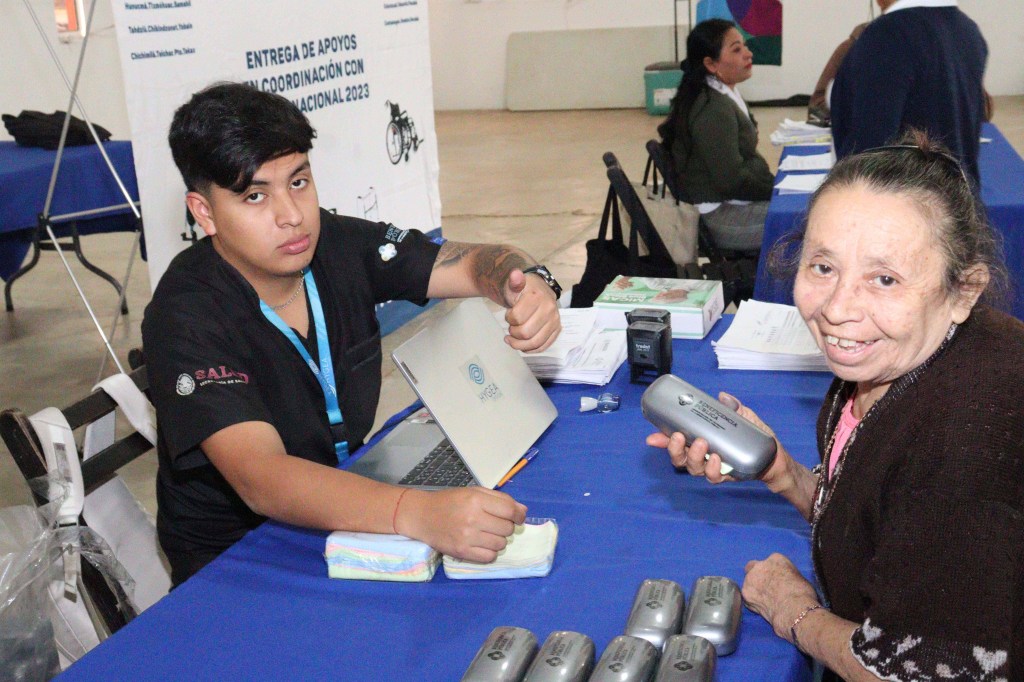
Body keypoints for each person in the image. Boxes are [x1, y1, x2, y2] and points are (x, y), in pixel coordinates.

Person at [143, 82, 563, 586]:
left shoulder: (334, 243)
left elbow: (472, 264)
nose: (292, 216)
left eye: (299, 182)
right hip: (244, 558)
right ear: (204, 212)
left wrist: (525, 281)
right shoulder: (185, 313)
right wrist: (418, 512)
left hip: (353, 502)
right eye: (255, 196)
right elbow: (262, 478)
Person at [648, 132, 1023, 680]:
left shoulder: (964, 450)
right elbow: (880, 515)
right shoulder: (899, 358)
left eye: (884, 279)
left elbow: (916, 672)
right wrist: (782, 472)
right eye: (823, 267)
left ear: (963, 291)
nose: (837, 308)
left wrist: (795, 613)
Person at [830, 0, 987, 186]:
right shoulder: (968, 29)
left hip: (903, 195)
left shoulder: (888, 35)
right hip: (953, 193)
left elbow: (869, 149)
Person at [657, 18, 773, 253]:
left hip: (731, 204)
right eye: (737, 50)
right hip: (718, 218)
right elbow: (732, 180)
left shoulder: (722, 92)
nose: (748, 54)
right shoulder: (712, 108)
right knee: (810, 222)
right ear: (710, 64)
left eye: (745, 45)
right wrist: (776, 191)